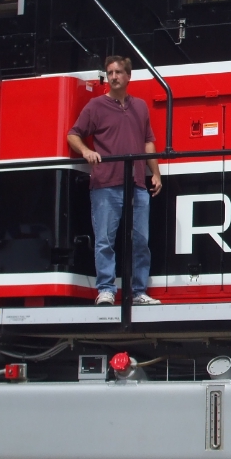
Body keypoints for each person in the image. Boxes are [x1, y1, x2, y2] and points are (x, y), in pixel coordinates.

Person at [67, 55, 163, 306]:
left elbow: (148, 142)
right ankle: (106, 290)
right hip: (105, 185)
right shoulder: (95, 106)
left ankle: (138, 291)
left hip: (137, 184)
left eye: (118, 72)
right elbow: (73, 134)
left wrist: (156, 173)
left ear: (128, 76)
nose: (113, 77)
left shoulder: (140, 106)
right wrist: (86, 151)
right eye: (110, 73)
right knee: (105, 241)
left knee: (140, 242)